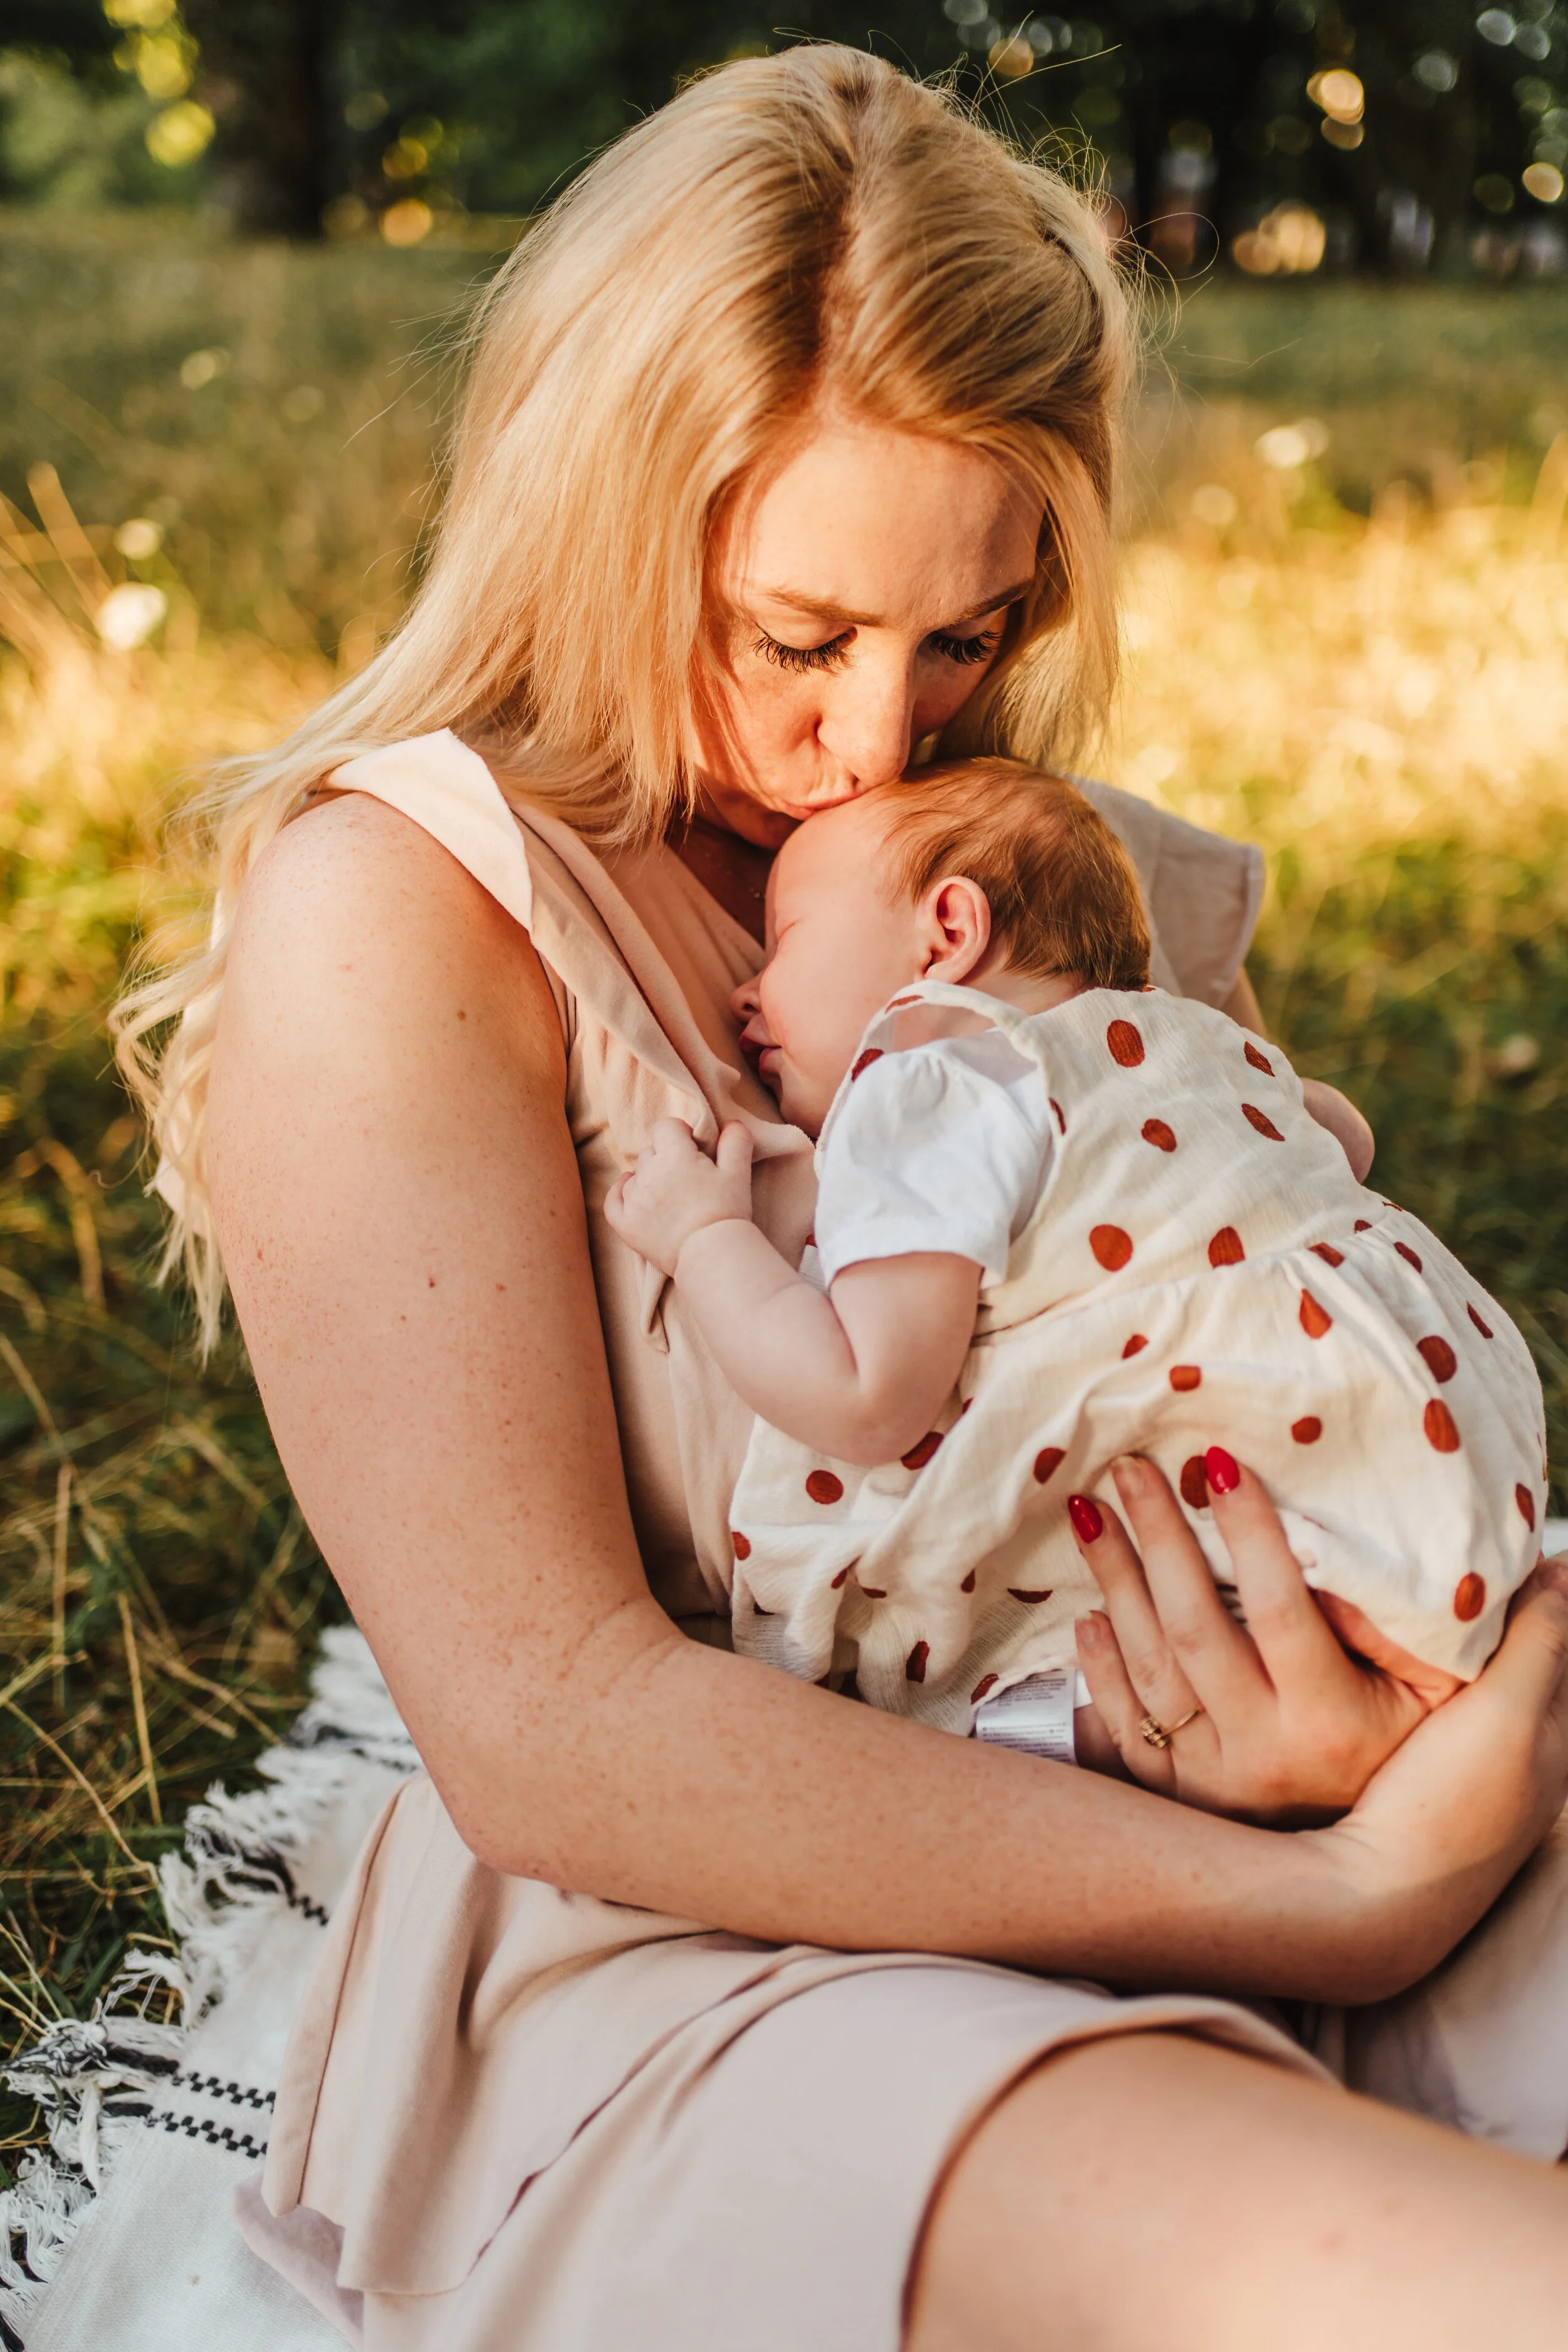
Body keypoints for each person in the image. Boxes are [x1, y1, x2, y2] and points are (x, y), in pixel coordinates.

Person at [114, 45, 1568, 2352]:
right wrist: (1339, 1896)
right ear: (596, 524)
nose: (882, 744)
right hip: (727, 1944)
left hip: (1239, 1792)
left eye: (968, 634)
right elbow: (558, 1724)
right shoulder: (414, 913)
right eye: (796, 640)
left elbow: (1238, 1387)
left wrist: (1342, 1730)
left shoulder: (1045, 889)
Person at [603, 761, 1545, 1750]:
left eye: (784, 940)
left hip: (1265, 1587)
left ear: (949, 932)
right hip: (1427, 1483)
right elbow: (1342, 1139)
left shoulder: (933, 1076)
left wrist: (707, 1236)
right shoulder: (1191, 1044)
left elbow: (868, 1397)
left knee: (1041, 1700)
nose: (748, 992)